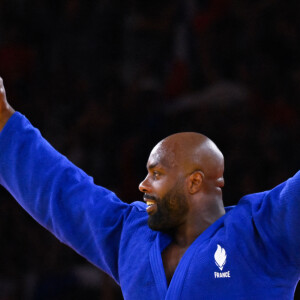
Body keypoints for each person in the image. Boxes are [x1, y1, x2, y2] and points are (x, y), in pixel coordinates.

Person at [0, 76, 299, 299]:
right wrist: (4, 122)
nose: (142, 185)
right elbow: (64, 192)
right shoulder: (133, 236)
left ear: (194, 181)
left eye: (156, 174)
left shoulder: (261, 231)